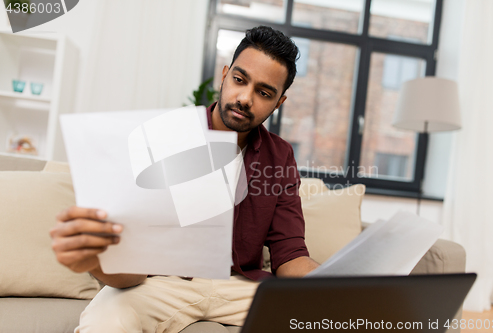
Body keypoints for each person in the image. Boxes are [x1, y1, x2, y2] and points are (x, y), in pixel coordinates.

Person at [50, 25, 320, 333]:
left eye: (263, 92)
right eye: (239, 80)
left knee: (324, 318)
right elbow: (132, 267)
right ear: (224, 74)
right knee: (105, 318)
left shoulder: (280, 155)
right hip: (166, 283)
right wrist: (97, 260)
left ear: (279, 103)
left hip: (241, 287)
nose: (245, 98)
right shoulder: (166, 136)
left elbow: (290, 254)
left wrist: (343, 283)